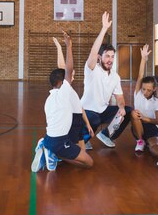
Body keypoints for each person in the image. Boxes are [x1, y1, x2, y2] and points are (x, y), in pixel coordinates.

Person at [31, 31, 94, 172]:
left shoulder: (50, 99)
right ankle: (54, 153)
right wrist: (68, 46)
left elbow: (64, 70)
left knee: (81, 153)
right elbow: (67, 68)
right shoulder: (64, 93)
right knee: (88, 163)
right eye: (68, 76)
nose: (71, 77)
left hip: (57, 134)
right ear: (61, 81)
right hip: (62, 138)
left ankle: (49, 148)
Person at [80, 12, 133, 148]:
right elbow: (93, 51)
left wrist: (121, 108)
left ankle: (106, 135)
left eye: (112, 56)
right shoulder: (92, 69)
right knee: (95, 119)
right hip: (86, 110)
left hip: (102, 110)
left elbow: (120, 98)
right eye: (107, 56)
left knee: (128, 111)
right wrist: (104, 29)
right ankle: (82, 140)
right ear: (99, 57)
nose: (110, 59)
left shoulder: (115, 76)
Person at [129, 44, 158, 156]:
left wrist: (145, 118)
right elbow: (140, 75)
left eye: (149, 90)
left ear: (154, 89)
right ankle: (140, 141)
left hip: (151, 128)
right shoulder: (138, 94)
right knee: (133, 113)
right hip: (138, 127)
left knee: (154, 148)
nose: (145, 92)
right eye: (144, 89)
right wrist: (143, 58)